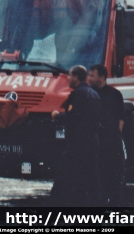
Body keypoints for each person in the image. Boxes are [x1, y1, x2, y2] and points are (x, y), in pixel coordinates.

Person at [50, 65, 102, 206]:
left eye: (70, 75)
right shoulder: (94, 94)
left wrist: (57, 116)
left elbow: (73, 117)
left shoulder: (77, 95)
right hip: (92, 142)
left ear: (76, 78)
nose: (67, 78)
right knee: (91, 179)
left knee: (63, 177)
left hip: (77, 144)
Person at [88, 64, 125, 206]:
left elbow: (121, 118)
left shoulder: (115, 95)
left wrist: (116, 136)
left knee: (114, 175)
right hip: (95, 141)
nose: (89, 78)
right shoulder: (88, 94)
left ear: (102, 78)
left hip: (111, 142)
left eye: (92, 76)